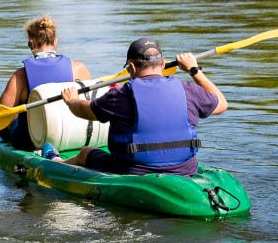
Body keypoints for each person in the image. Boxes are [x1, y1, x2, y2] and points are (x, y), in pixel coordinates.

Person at [60, 37, 227, 176]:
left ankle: (57, 162)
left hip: (132, 170)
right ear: (162, 64)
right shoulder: (188, 90)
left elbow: (85, 110)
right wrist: (194, 70)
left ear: (131, 67)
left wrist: (71, 100)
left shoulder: (120, 96)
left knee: (86, 152)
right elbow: (221, 104)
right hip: (184, 169)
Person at [0, 15, 93, 150]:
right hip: (71, 136)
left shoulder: (21, 76)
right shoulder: (79, 69)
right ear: (55, 41)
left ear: (31, 44)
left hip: (31, 142)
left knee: (11, 117)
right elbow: (92, 107)